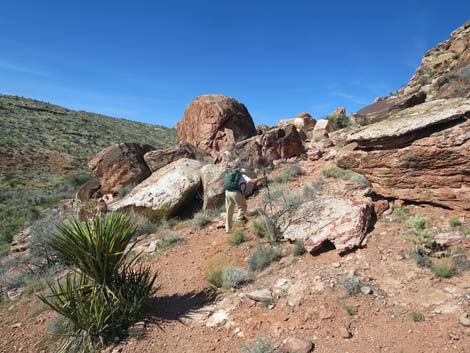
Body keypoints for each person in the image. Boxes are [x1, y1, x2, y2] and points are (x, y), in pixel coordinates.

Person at [224, 168, 266, 233]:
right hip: (235, 192)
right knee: (243, 206)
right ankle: (238, 220)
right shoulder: (242, 176)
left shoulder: (230, 175)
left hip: (227, 192)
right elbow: (253, 181)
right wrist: (262, 178)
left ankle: (228, 229)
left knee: (229, 210)